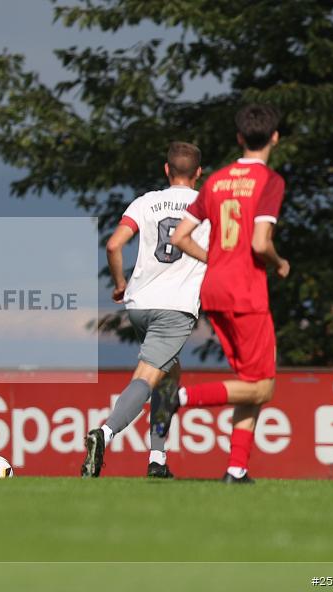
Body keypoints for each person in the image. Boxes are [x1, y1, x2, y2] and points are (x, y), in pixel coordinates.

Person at [154, 104, 290, 484]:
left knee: (250, 383)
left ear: (240, 138)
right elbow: (261, 242)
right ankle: (179, 399)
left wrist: (213, 258)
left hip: (213, 289)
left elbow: (180, 237)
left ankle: (236, 468)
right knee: (262, 386)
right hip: (246, 292)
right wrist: (279, 263)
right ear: (275, 138)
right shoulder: (271, 182)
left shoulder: (215, 181)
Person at [80, 142, 209, 479]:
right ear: (198, 172)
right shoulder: (207, 205)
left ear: (167, 170)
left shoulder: (146, 202)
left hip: (140, 304)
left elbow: (113, 244)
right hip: (175, 306)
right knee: (147, 376)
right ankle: (103, 434)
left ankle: (157, 460)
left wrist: (120, 283)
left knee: (169, 375)